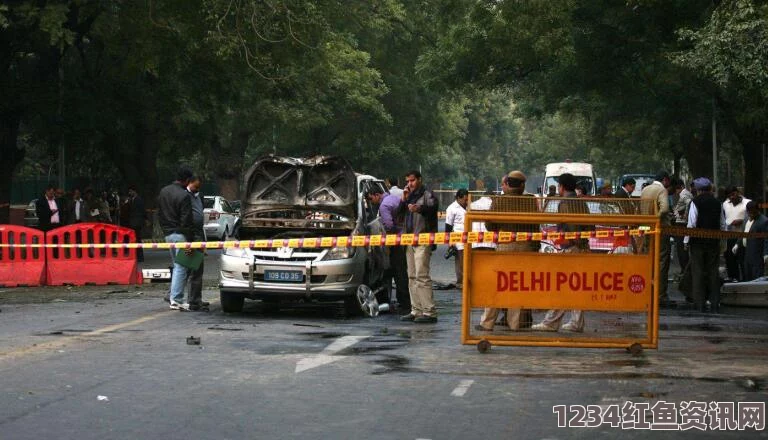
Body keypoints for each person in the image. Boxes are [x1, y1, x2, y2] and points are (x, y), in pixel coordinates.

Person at [476, 171, 539, 332]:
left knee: (498, 284)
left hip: (504, 245)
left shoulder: (499, 200)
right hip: (525, 246)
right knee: (517, 285)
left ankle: (487, 322)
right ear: (522, 185)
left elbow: (490, 225)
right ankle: (514, 323)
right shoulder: (531, 201)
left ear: (508, 184)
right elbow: (535, 226)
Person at [532, 173, 590, 332]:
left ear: (562, 187)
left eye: (559, 185)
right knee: (577, 287)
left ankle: (551, 322)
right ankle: (576, 323)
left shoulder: (564, 203)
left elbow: (571, 228)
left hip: (571, 249)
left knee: (563, 285)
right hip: (583, 248)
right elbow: (589, 226)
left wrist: (572, 242)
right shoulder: (581, 203)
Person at [398, 170, 439, 324]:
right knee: (411, 276)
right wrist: (403, 201)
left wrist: (419, 208)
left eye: (413, 180)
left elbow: (433, 209)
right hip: (409, 240)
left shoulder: (428, 194)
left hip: (423, 238)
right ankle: (416, 310)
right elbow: (398, 215)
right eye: (408, 181)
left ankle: (429, 312)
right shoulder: (408, 196)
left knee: (422, 276)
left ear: (419, 179)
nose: (410, 184)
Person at [684, 178, 724, 313]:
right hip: (713, 242)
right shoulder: (718, 203)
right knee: (713, 272)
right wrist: (721, 240)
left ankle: (699, 303)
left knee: (698, 272)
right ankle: (715, 302)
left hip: (697, 243)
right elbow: (722, 224)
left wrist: (686, 241)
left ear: (699, 190)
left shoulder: (695, 202)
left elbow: (692, 224)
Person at [158, 167, 195, 311]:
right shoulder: (184, 195)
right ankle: (176, 299)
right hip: (181, 235)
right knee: (182, 267)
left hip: (168, 234)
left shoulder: (164, 191)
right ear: (186, 180)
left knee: (177, 265)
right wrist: (191, 239)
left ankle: (173, 296)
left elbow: (159, 214)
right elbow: (186, 220)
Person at [640, 170, 672, 306]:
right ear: (665, 180)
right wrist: (656, 219)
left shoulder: (645, 189)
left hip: (646, 229)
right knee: (662, 260)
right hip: (659, 229)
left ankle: (648, 290)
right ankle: (660, 294)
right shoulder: (661, 190)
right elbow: (664, 209)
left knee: (649, 259)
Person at [379, 186, 410, 311]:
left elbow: (389, 226)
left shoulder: (383, 206)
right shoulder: (393, 198)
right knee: (402, 271)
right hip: (405, 236)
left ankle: (404, 303)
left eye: (370, 199)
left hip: (396, 242)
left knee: (399, 272)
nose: (371, 202)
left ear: (376, 195)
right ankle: (404, 300)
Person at [186, 176, 209, 311]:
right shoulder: (185, 197)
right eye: (195, 187)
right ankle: (193, 301)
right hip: (191, 236)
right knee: (191, 269)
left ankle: (196, 299)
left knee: (196, 270)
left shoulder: (198, 197)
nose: (197, 190)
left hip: (198, 235)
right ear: (189, 182)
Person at [733, 201, 768, 281]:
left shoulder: (764, 221)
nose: (750, 214)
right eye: (749, 212)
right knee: (747, 275)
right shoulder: (746, 219)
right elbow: (743, 233)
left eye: (753, 213)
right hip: (747, 252)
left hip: (757, 254)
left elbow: (766, 239)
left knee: (757, 277)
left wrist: (766, 253)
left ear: (757, 211)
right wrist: (737, 244)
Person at [722, 185, 750, 281]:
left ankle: (745, 279)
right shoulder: (725, 204)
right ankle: (733, 278)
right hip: (729, 235)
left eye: (733, 194)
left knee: (742, 259)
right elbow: (724, 219)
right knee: (730, 259)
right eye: (729, 196)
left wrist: (742, 221)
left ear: (738, 193)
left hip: (742, 236)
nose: (732, 197)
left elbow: (752, 217)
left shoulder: (747, 203)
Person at [444, 188, 468, 288]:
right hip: (457, 238)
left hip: (469, 237)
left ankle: (467, 280)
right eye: (465, 199)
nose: (467, 201)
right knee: (460, 260)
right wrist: (449, 241)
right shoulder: (451, 208)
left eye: (467, 199)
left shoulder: (468, 206)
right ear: (458, 198)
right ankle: (460, 281)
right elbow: (448, 226)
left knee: (467, 260)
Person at [126, 186, 146, 262]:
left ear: (135, 191)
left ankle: (140, 257)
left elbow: (142, 211)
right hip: (132, 222)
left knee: (138, 239)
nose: (129, 193)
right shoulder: (131, 200)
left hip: (137, 223)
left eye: (131, 191)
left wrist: (143, 220)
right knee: (134, 239)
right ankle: (136, 256)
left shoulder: (139, 200)